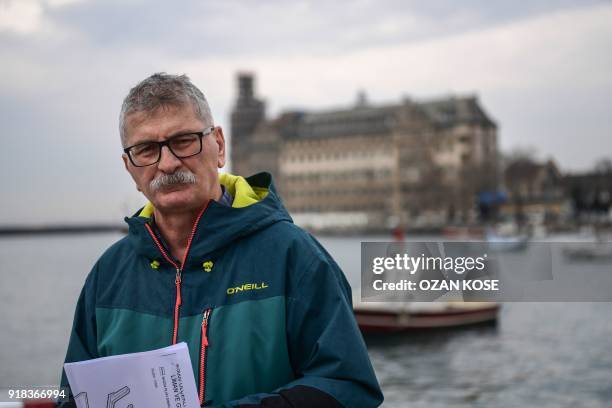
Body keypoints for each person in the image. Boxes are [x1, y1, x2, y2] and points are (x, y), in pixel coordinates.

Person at [59, 73, 383, 407]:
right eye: (146, 149)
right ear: (129, 168)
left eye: (184, 141)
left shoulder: (294, 257)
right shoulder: (108, 275)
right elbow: (72, 397)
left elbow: (349, 387)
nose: (167, 163)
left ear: (219, 146)